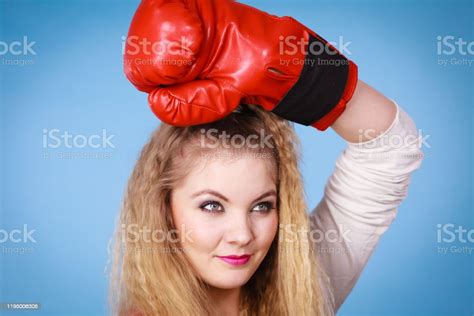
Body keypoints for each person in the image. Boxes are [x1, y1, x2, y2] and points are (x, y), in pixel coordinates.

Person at [110, 1, 425, 315]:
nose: (242, 235)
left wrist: (302, 70)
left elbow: (391, 146)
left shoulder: (301, 285)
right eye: (212, 206)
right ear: (164, 211)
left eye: (262, 206)